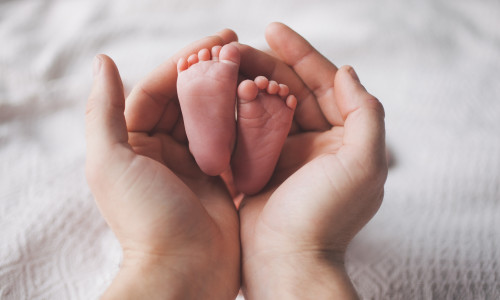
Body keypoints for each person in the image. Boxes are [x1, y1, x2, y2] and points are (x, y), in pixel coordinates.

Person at [85, 22, 387, 299]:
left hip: (188, 205)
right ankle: (246, 169)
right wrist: (295, 255)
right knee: (256, 165)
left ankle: (213, 156)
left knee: (213, 159)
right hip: (278, 199)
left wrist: (167, 257)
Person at [176, 43, 296, 195]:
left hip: (199, 189)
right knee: (274, 75)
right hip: (265, 194)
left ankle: (208, 152)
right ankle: (250, 174)